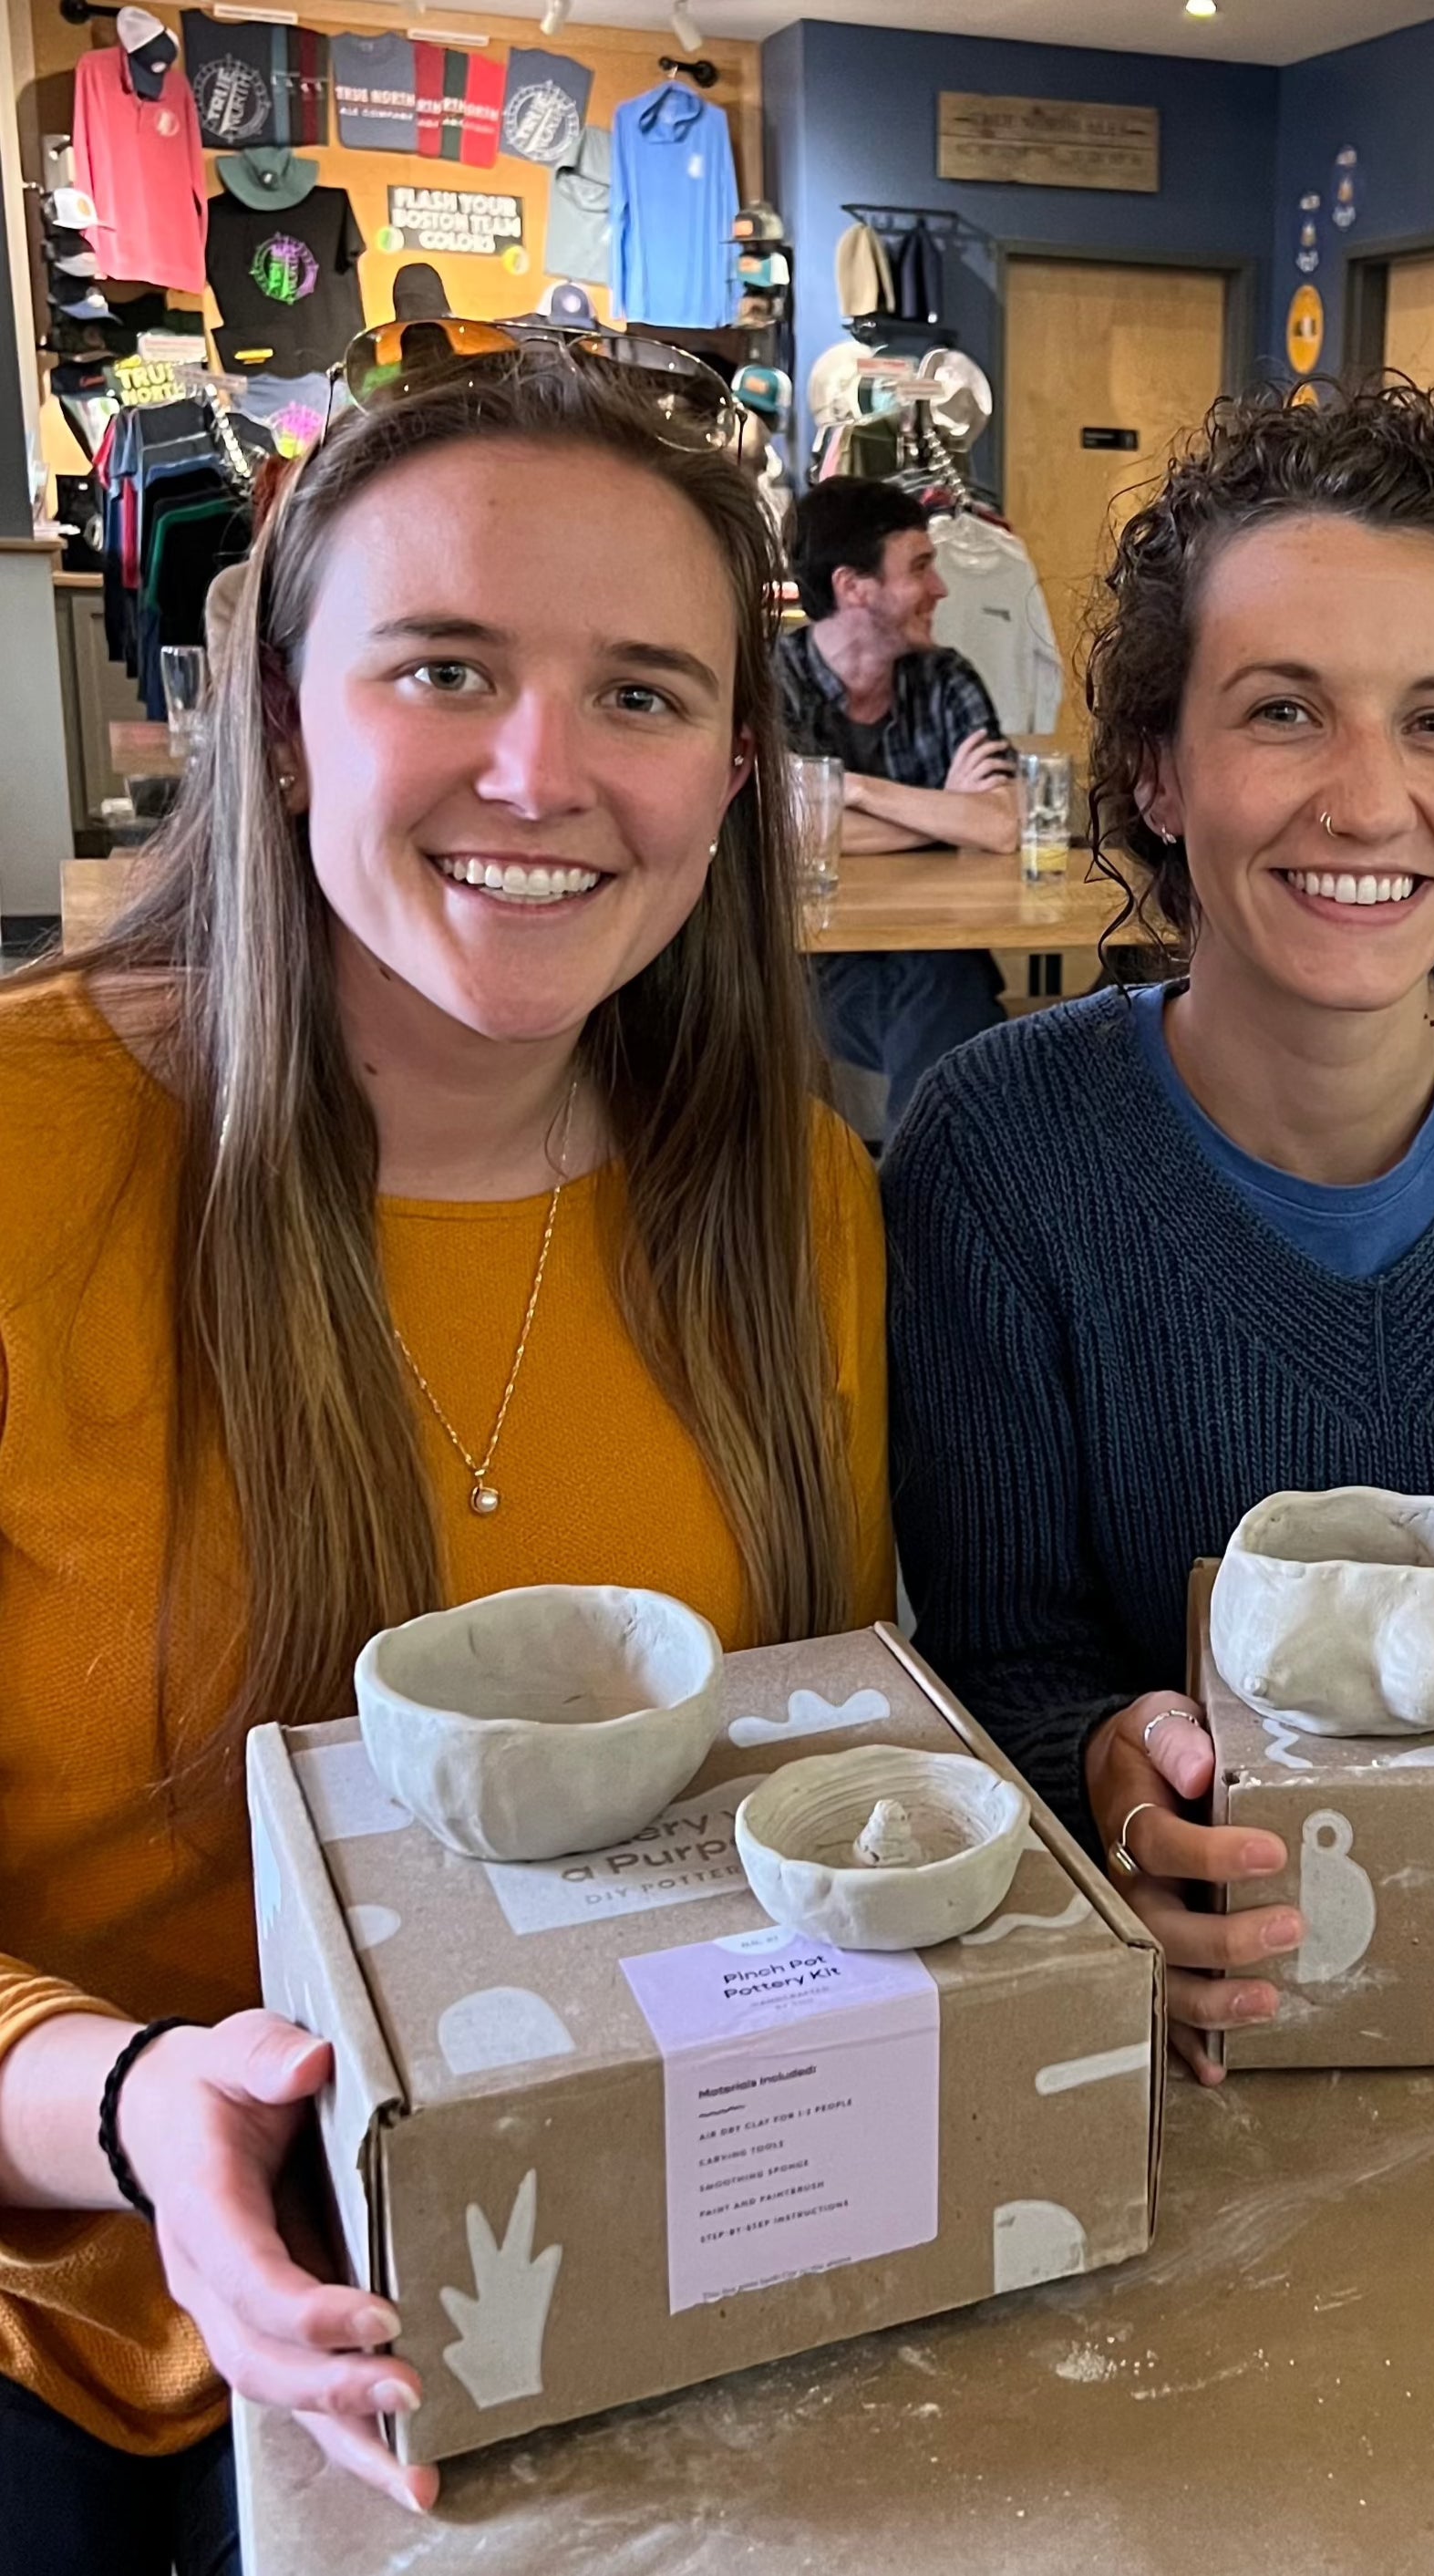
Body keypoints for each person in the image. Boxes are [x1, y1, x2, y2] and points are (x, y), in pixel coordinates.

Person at [0, 341, 894, 2560]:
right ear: (282, 717)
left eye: (640, 692)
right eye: (445, 666)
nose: (539, 770)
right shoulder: (27, 1156)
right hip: (103, 2333)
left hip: (648, 2271)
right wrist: (136, 2098)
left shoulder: (791, 1194)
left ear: (731, 770)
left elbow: (815, 1778)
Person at [883, 384, 1434, 2080]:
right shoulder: (998, 1154)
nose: (1369, 804)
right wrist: (1108, 1792)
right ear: (1156, 770)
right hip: (1209, 2031)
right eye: (1284, 711)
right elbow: (1007, 1663)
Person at [777, 479, 1021, 1129]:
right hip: (811, 966)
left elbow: (1000, 824)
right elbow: (782, 833)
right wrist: (944, 813)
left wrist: (852, 792)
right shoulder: (772, 684)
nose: (940, 588)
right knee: (956, 1008)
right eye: (919, 567)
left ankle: (920, 1165)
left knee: (941, 979)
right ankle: (947, 1165)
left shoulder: (945, 677)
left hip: (941, 945)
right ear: (854, 588)